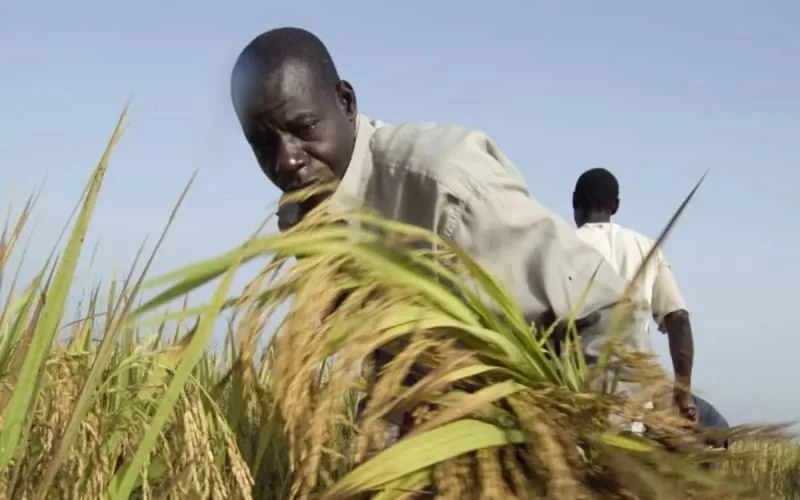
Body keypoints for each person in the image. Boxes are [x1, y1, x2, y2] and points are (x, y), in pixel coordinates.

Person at [230, 27, 649, 425]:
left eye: (304, 129)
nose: (286, 160)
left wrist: (593, 451)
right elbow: (385, 355)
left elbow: (605, 312)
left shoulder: (445, 183)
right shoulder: (305, 221)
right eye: (264, 145)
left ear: (346, 103)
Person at [571, 168, 698, 422]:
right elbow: (679, 319)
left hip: (574, 396)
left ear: (575, 202)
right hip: (636, 402)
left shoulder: (563, 244)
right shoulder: (646, 247)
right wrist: (683, 395)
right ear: (615, 206)